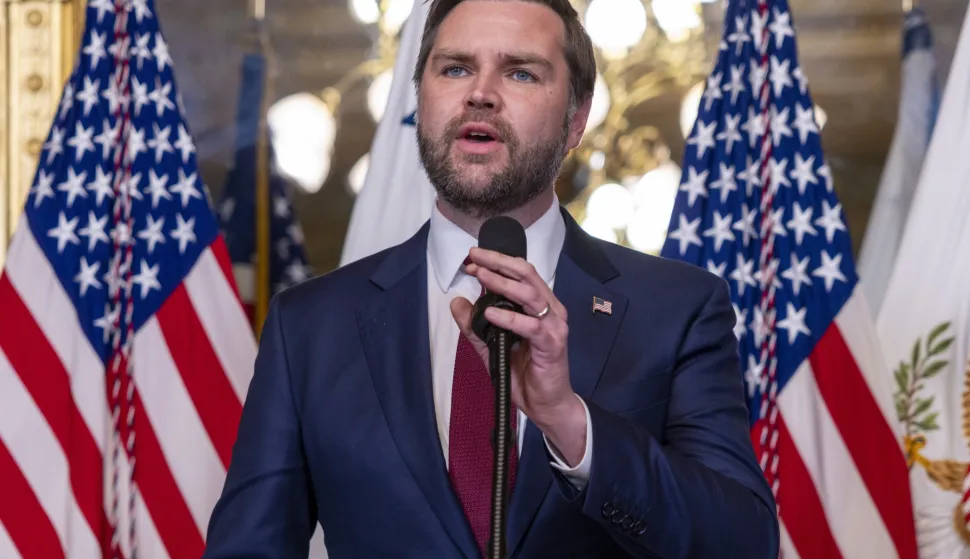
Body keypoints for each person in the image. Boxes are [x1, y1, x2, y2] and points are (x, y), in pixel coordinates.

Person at [202, 0, 780, 557]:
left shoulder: (678, 308)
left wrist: (570, 423)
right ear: (420, 99)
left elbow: (744, 544)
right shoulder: (309, 326)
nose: (480, 93)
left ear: (577, 119)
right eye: (455, 68)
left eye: (521, 73)